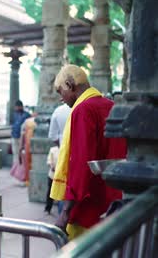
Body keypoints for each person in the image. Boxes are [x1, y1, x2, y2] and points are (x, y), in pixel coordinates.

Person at [50, 65, 127, 240]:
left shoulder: (83, 110)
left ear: (70, 85)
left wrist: (65, 213)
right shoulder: (111, 105)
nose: (61, 99)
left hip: (88, 206)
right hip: (113, 200)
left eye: (60, 91)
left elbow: (80, 165)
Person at [47, 103, 71, 214]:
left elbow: (52, 135)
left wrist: (62, 146)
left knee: (64, 188)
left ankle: (63, 218)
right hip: (83, 155)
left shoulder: (59, 111)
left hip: (65, 153)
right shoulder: (84, 106)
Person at [10, 100, 31, 166]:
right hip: (14, 135)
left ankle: (22, 166)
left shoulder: (27, 115)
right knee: (15, 152)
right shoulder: (14, 114)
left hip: (22, 137)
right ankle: (16, 166)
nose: (16, 108)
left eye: (17, 107)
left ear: (21, 107)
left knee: (21, 152)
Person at [45, 140, 59, 214]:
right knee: (50, 192)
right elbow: (49, 161)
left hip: (61, 176)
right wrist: (52, 166)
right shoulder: (53, 150)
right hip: (52, 175)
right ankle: (48, 208)